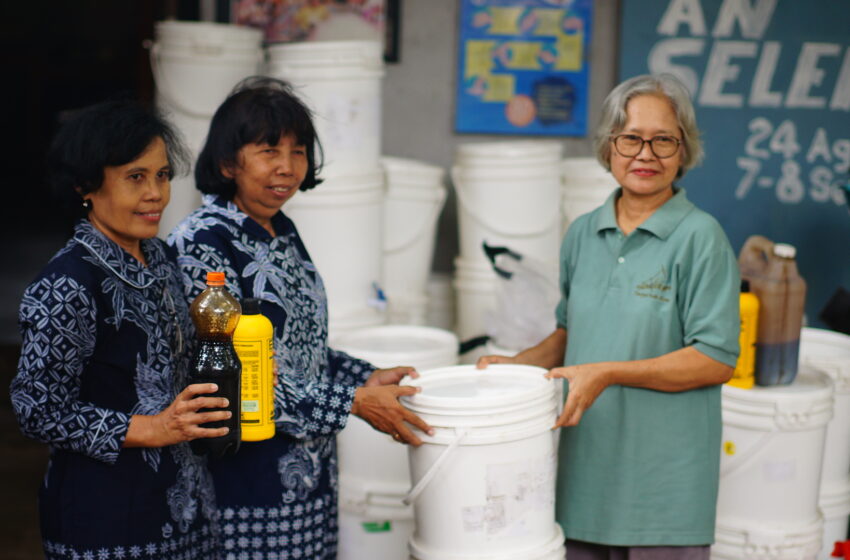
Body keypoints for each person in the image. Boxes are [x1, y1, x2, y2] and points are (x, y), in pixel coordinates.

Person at [168, 76, 432, 560]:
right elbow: (229, 374)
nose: (287, 168)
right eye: (269, 150)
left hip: (309, 484)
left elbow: (300, 345)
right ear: (228, 161)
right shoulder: (203, 244)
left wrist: (364, 375)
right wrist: (352, 401)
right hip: (244, 488)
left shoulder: (281, 230)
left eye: (298, 151)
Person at [478, 73, 740, 559]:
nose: (646, 154)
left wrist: (610, 372)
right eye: (631, 138)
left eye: (663, 140)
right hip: (583, 484)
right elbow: (570, 333)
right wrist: (518, 365)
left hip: (664, 498)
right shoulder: (583, 233)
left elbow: (715, 359)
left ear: (684, 151)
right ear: (608, 147)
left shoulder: (701, 238)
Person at [10, 100, 231, 559]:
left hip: (180, 509)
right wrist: (150, 428)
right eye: (136, 177)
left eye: (163, 176)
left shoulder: (160, 259)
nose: (155, 194)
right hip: (104, 521)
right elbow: (36, 409)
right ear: (86, 185)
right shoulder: (68, 283)